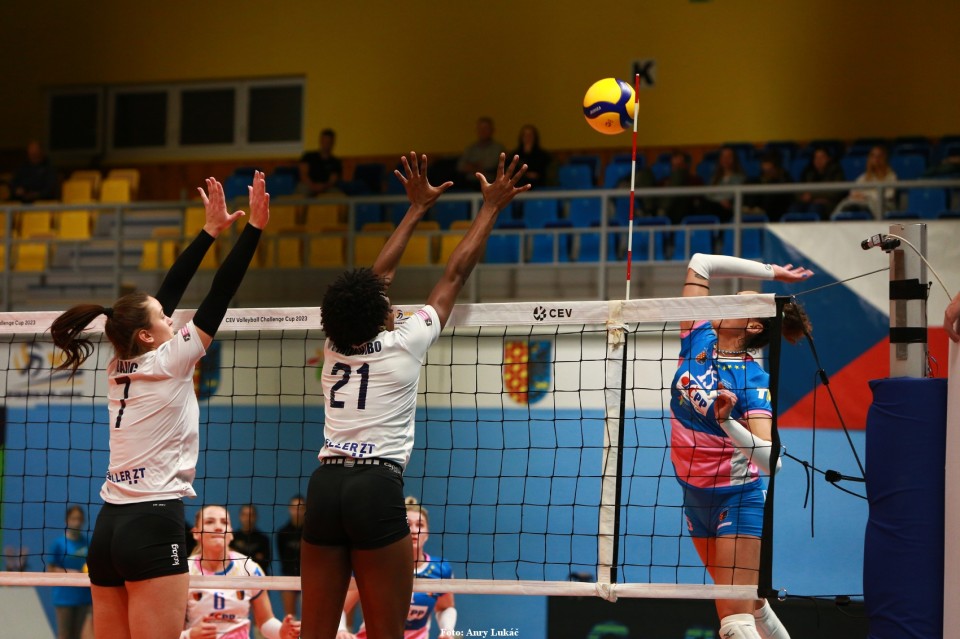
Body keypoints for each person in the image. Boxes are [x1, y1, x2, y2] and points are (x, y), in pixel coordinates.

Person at [299, 151, 530, 639]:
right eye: (385, 304)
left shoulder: (334, 343)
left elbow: (375, 280)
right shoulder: (405, 341)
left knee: (315, 633)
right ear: (379, 314)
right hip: (374, 487)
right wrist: (490, 207)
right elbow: (454, 275)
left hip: (325, 485)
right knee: (388, 632)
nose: (391, 301)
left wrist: (416, 208)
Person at [49, 172, 270, 639]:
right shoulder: (172, 359)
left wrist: (208, 232)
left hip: (109, 528)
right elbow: (219, 295)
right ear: (148, 335)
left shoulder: (118, 364)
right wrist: (253, 230)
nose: (171, 318)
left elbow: (165, 294)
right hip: (153, 523)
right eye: (163, 319)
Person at [671, 252, 814, 639]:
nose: (725, 300)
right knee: (751, 605)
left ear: (752, 324)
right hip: (694, 497)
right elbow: (700, 263)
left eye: (738, 300)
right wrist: (773, 273)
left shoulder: (752, 379)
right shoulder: (698, 336)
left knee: (734, 622)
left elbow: (771, 462)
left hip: (736, 498)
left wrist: (727, 422)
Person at [336, 497, 456, 639]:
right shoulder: (375, 567)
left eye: (420, 525)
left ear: (427, 533)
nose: (414, 530)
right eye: (407, 524)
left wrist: (447, 630)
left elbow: (445, 608)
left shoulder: (440, 569)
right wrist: (341, 630)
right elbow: (340, 607)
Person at [183, 505, 300, 639]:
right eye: (210, 522)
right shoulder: (185, 572)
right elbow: (170, 633)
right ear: (196, 533)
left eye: (224, 522)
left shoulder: (248, 568)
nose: (218, 527)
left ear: (231, 533)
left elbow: (266, 621)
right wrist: (189, 635)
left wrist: (281, 632)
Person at [46, 505, 93, 639]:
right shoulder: (59, 544)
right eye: (73, 519)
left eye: (79, 519)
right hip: (64, 597)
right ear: (67, 520)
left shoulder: (88, 542)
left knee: (77, 635)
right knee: (65, 635)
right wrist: (69, 572)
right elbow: (50, 569)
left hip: (83, 597)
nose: (76, 522)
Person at [833, 145, 898, 218]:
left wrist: (866, 195)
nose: (876, 159)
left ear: (884, 158)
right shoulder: (864, 177)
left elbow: (889, 195)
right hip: (863, 204)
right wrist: (859, 196)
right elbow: (854, 192)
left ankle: (878, 223)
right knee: (846, 202)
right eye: (873, 156)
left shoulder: (891, 176)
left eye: (879, 156)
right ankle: (834, 219)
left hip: (884, 205)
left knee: (870, 204)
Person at [790, 147, 845, 218]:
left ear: (828, 158)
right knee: (794, 208)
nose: (818, 160)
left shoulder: (836, 171)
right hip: (808, 202)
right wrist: (802, 197)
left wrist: (813, 196)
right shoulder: (808, 171)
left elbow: (835, 192)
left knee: (814, 208)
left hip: (829, 204)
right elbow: (798, 188)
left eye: (822, 157)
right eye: (816, 158)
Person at [456, 117, 506, 189]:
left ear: (492, 130)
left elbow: (491, 165)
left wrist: (472, 166)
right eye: (480, 128)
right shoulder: (470, 148)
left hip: (491, 183)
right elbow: (460, 166)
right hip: (470, 184)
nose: (483, 131)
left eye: (486, 128)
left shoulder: (498, 148)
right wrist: (478, 166)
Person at [656, 150, 704, 224]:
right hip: (666, 211)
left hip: (685, 212)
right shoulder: (665, 181)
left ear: (686, 166)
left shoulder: (695, 181)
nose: (676, 169)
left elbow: (697, 199)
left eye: (679, 166)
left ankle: (662, 211)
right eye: (674, 166)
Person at [744, 151, 793, 222]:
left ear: (776, 167)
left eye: (770, 170)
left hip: (776, 214)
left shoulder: (785, 180)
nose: (767, 174)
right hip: (758, 212)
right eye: (765, 171)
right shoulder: (758, 180)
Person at [277, 495, 305, 616]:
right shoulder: (283, 532)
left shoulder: (311, 532)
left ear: (305, 509)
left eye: (300, 508)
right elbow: (281, 555)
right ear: (289, 509)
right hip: (288, 577)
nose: (297, 511)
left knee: (307, 615)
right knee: (290, 616)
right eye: (294, 508)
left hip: (307, 578)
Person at [702, 146, 746, 222]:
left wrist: (723, 200)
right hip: (714, 206)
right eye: (723, 156)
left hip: (729, 209)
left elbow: (731, 195)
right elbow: (708, 195)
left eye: (729, 157)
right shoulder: (715, 178)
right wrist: (720, 200)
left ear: (734, 159)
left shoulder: (740, 178)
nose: (725, 159)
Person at [299, 128, 343, 196]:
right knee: (302, 190)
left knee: (338, 194)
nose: (326, 144)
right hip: (308, 185)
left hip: (327, 188)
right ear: (320, 141)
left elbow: (332, 180)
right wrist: (312, 186)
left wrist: (323, 187)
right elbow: (303, 175)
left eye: (328, 142)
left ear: (333, 143)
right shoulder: (308, 156)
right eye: (324, 141)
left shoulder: (335, 162)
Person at [231, 504, 272, 575]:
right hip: (238, 577)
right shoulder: (232, 538)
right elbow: (232, 562)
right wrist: (255, 557)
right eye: (244, 515)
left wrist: (238, 554)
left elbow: (265, 563)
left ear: (256, 517)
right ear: (240, 516)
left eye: (251, 515)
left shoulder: (263, 539)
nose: (247, 518)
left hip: (259, 577)